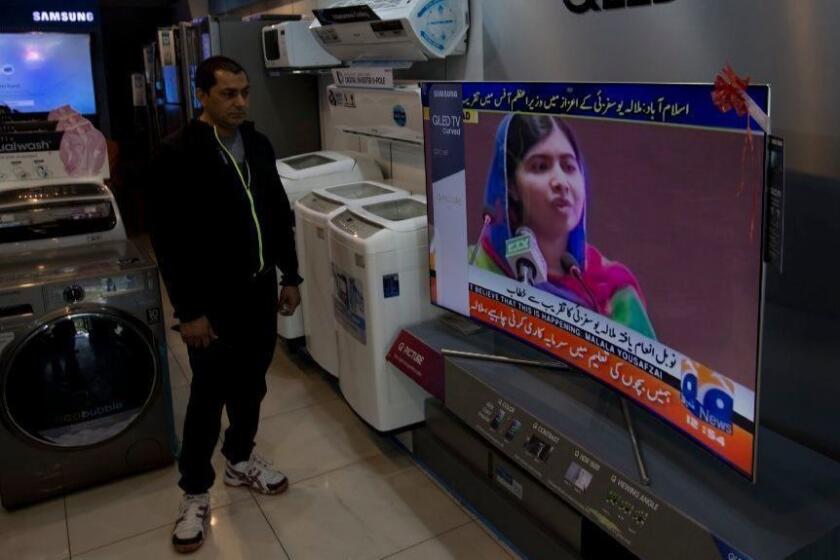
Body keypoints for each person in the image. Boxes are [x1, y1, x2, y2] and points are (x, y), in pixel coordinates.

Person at [147, 56, 302, 554]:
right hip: (210, 303)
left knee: (252, 384)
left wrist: (290, 274)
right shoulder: (177, 154)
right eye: (227, 94)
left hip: (258, 291)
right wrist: (189, 311)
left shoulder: (257, 143)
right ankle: (194, 491)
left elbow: (277, 212)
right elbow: (169, 241)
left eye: (244, 92)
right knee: (208, 395)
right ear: (202, 96)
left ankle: (240, 459)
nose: (239, 103)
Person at [472, 113, 655, 338]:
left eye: (569, 167)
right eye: (540, 166)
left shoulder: (614, 291)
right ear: (511, 186)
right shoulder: (474, 266)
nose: (561, 182)